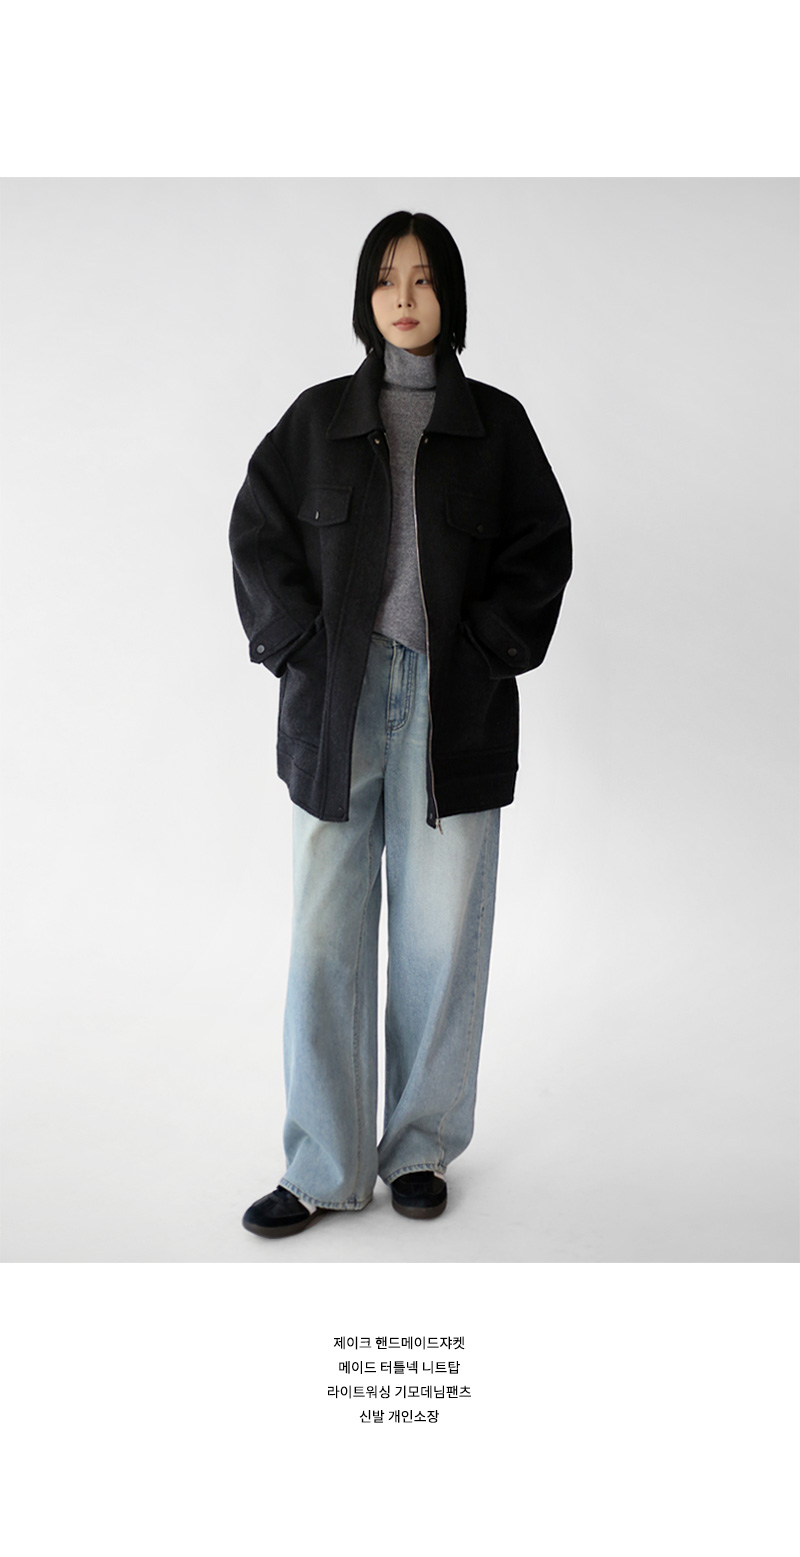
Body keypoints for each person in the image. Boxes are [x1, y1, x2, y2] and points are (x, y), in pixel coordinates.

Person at [229, 210, 572, 1237]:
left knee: (440, 937)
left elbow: (542, 546)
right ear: (365, 297)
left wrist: (486, 650)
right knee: (323, 936)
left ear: (448, 295)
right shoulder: (316, 421)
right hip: (337, 704)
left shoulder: (497, 426)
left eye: (423, 278)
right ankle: (323, 1166)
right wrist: (298, 648)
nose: (405, 296)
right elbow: (255, 534)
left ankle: (419, 1148)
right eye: (387, 277)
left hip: (451, 704)